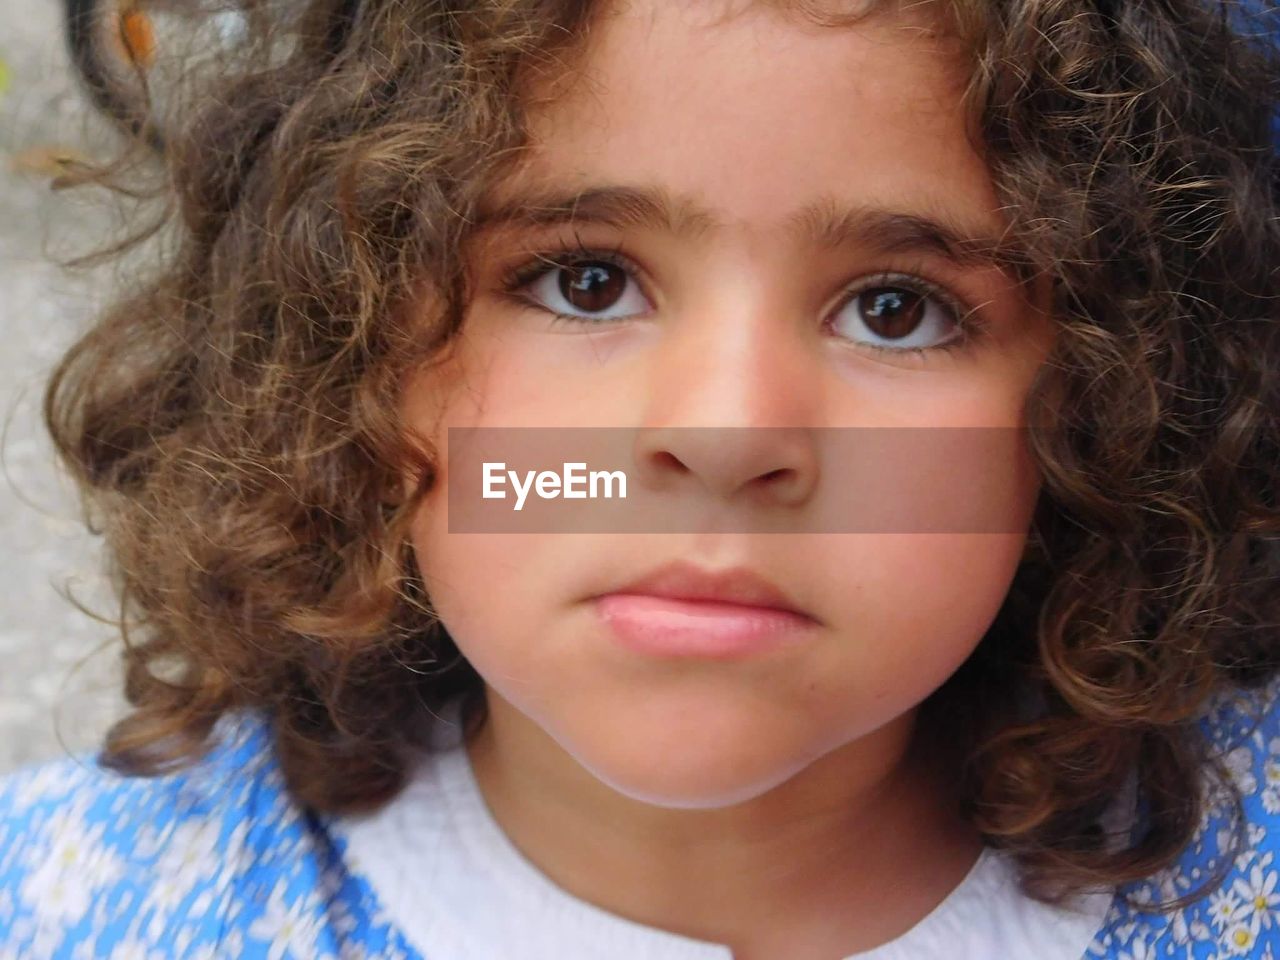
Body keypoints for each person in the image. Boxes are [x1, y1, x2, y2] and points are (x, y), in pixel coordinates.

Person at [3, 0, 1280, 957]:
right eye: (585, 281)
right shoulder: (71, 905)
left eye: (896, 309)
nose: (724, 438)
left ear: (1120, 407)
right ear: (347, 344)